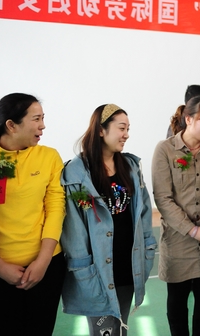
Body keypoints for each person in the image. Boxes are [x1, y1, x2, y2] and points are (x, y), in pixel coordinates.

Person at [60, 104, 157, 336]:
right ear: (101, 130)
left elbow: (143, 212)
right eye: (121, 128)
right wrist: (83, 267)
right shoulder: (76, 173)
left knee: (121, 326)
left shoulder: (130, 166)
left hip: (128, 262)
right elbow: (74, 229)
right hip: (98, 268)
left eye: (128, 129)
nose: (127, 134)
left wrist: (147, 246)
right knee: (103, 330)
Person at [0, 93, 66, 336]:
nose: (43, 125)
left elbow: (56, 208)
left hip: (45, 270)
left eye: (43, 118)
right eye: (36, 119)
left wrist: (43, 262)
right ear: (11, 125)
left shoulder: (49, 156)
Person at [152, 96, 200, 336]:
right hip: (178, 239)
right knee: (177, 302)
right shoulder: (165, 149)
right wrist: (192, 230)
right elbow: (163, 198)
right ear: (188, 119)